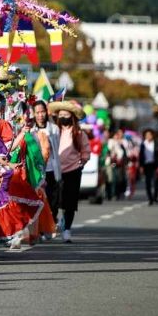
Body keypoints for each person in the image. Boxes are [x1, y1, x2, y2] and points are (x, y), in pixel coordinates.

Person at [48, 101, 90, 243]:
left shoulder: (79, 133)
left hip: (73, 170)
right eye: (61, 115)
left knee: (69, 203)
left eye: (66, 115)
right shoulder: (53, 130)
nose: (63, 117)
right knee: (53, 200)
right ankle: (52, 223)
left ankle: (67, 230)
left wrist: (82, 162)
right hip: (54, 170)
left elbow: (85, 151)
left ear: (72, 116)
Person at [32, 100, 61, 231]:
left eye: (42, 112)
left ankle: (52, 221)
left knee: (53, 200)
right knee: (40, 199)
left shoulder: (54, 129)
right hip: (37, 170)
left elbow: (57, 147)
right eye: (37, 112)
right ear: (33, 113)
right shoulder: (31, 130)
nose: (40, 115)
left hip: (51, 169)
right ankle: (42, 227)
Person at [139, 129, 158, 205]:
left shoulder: (156, 144)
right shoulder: (143, 144)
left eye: (150, 135)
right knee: (148, 182)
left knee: (156, 181)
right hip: (146, 165)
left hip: (155, 165)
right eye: (147, 135)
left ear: (152, 136)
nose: (148, 136)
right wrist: (141, 166)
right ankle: (150, 198)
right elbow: (140, 156)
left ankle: (155, 197)